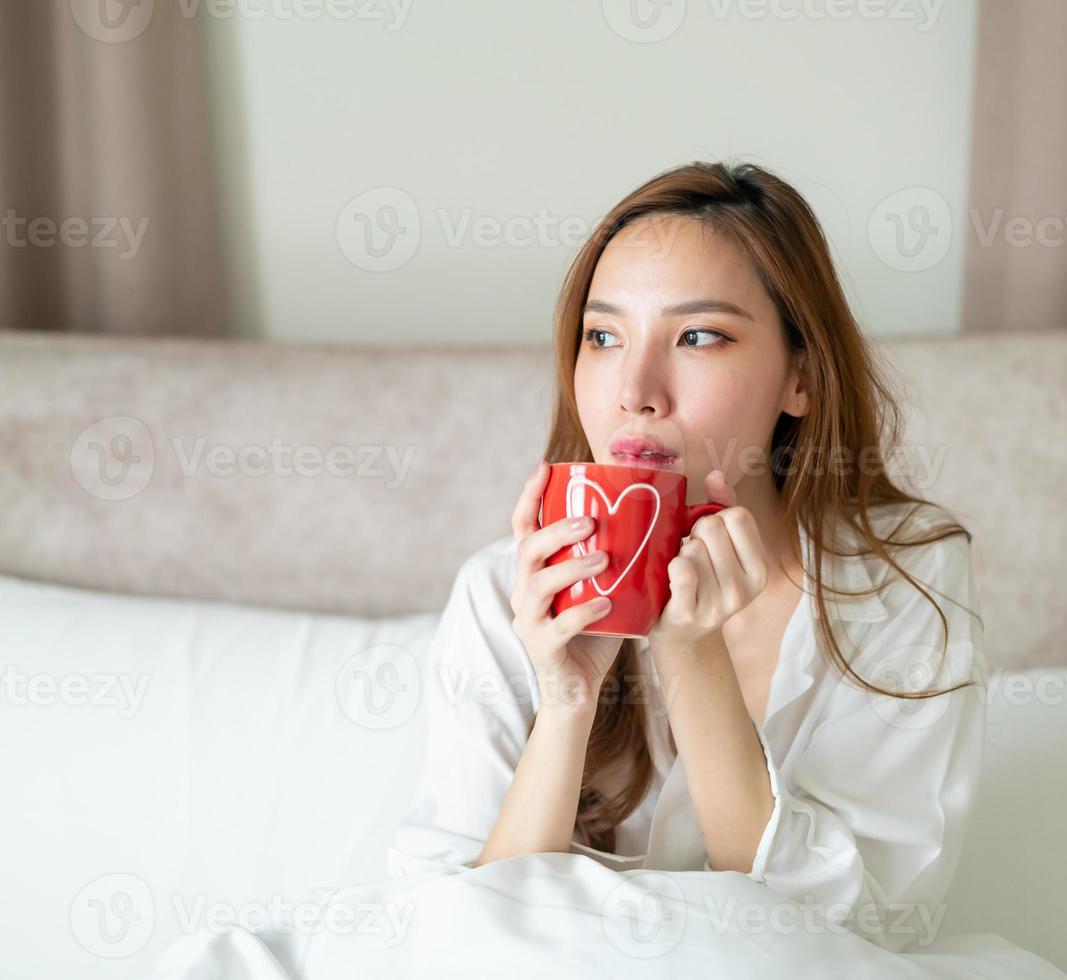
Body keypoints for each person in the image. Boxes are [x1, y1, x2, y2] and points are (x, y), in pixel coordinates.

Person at [386, 160, 987, 954]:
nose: (636, 388)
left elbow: (864, 934)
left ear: (799, 377)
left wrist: (691, 656)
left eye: (698, 335)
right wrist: (567, 702)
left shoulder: (902, 582)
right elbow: (446, 942)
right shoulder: (501, 591)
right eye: (603, 336)